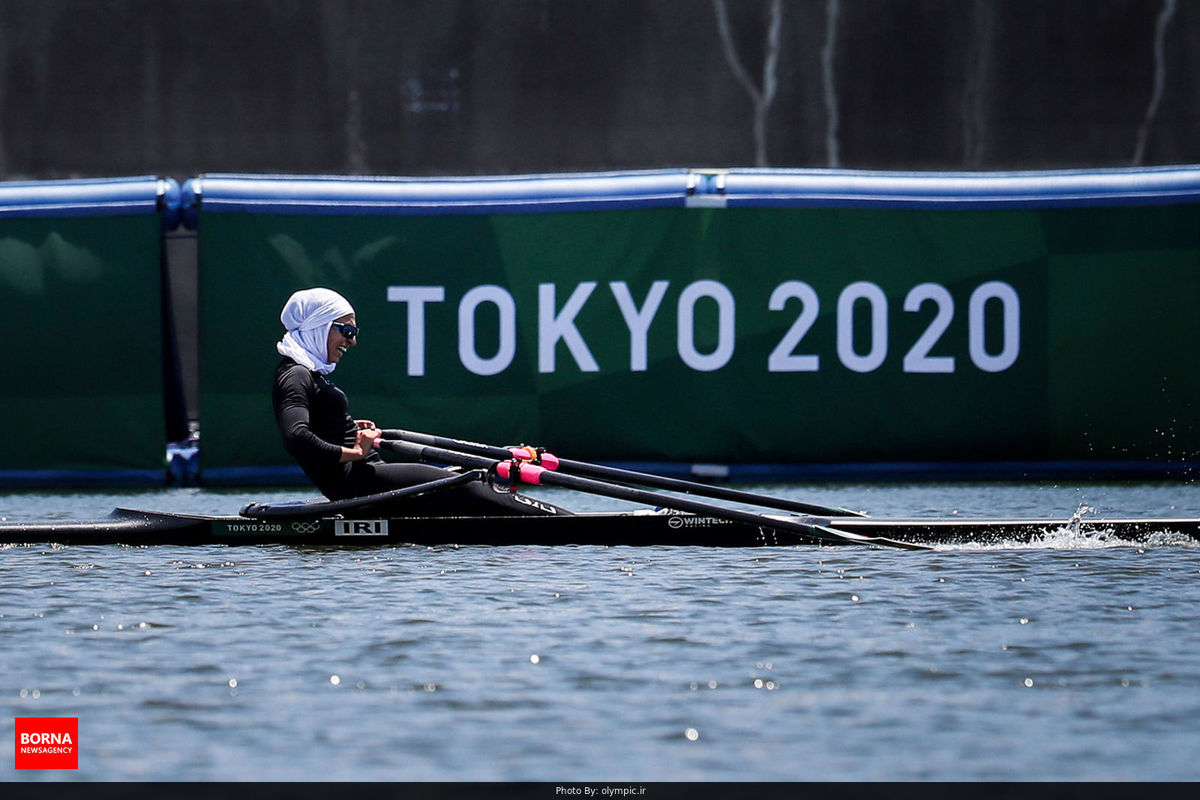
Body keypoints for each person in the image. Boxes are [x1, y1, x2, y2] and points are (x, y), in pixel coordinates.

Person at [272, 288, 568, 516]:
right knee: (467, 484)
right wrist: (353, 451)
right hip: (355, 480)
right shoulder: (295, 375)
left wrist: (348, 427)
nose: (352, 341)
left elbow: (319, 421)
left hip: (364, 474)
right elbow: (296, 436)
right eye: (347, 331)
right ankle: (568, 526)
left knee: (462, 482)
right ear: (319, 326)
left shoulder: (310, 373)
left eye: (354, 332)